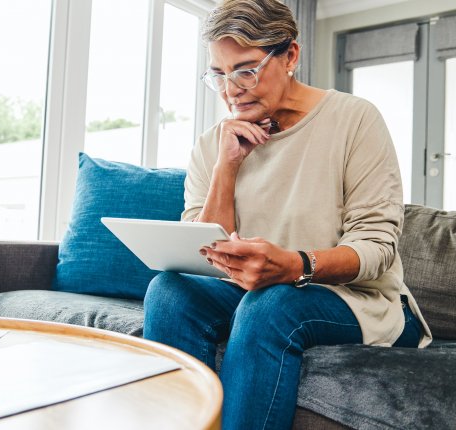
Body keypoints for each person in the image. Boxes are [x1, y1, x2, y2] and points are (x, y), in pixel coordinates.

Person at [143, 0, 432, 429]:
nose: (230, 90)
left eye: (246, 70)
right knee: (169, 290)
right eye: (218, 75)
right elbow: (203, 253)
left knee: (271, 304)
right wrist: (227, 166)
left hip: (360, 300)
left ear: (290, 56)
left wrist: (296, 265)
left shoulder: (354, 120)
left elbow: (377, 249)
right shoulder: (213, 144)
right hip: (252, 291)